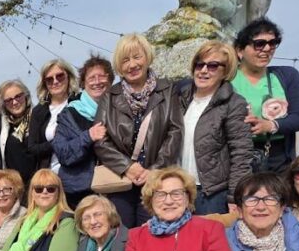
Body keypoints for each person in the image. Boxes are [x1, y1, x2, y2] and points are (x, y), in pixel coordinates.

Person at [94, 33, 183, 228]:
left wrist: (154, 170)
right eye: (125, 60)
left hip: (155, 179)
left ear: (147, 57)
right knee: (121, 235)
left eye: (137, 57)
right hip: (121, 180)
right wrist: (127, 166)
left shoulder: (167, 90)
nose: (132, 65)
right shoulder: (109, 96)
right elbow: (100, 140)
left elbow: (175, 132)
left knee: (153, 232)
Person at [176, 40, 252, 215]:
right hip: (179, 189)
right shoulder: (181, 98)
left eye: (212, 66)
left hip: (211, 194)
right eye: (199, 64)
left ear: (225, 71)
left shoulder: (234, 103)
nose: (204, 70)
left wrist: (235, 196)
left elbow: (241, 153)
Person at [230, 17, 299, 173]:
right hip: (234, 154)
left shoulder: (288, 76)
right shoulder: (226, 79)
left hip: (277, 159)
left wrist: (270, 125)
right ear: (240, 50)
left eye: (272, 43)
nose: (267, 49)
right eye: (259, 44)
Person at [53, 56, 115, 207]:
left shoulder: (120, 109)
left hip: (114, 186)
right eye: (91, 78)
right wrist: (88, 136)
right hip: (78, 192)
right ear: (83, 83)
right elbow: (63, 153)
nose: (97, 81)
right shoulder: (69, 114)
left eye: (102, 76)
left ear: (110, 80)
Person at [28, 59, 80, 173]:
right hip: (50, 175)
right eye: (49, 79)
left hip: (78, 172)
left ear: (68, 77)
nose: (55, 82)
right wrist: (56, 142)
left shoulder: (79, 103)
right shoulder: (39, 111)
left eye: (60, 76)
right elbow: (32, 148)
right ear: (44, 84)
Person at [0, 79, 39, 185]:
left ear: (26, 96)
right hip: (13, 186)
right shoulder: (2, 125)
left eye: (18, 96)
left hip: (37, 185)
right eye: (9, 100)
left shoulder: (38, 118)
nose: (14, 102)